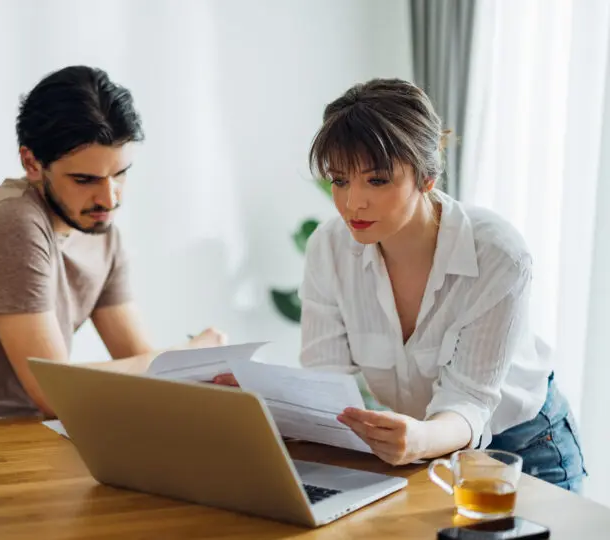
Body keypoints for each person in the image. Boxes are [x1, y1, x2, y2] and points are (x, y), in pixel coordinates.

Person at [217, 78, 586, 492]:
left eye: (376, 181)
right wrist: (264, 396)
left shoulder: (498, 254)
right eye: (339, 180)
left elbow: (470, 402)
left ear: (427, 177)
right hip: (419, 452)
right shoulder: (329, 247)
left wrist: (417, 440)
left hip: (523, 450)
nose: (352, 203)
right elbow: (326, 378)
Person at [0, 66, 226, 423]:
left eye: (120, 174)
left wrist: (194, 368)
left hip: (55, 438)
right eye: (85, 179)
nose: (109, 199)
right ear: (31, 163)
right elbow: (56, 392)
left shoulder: (101, 231)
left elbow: (151, 373)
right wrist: (189, 355)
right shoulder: (12, 222)